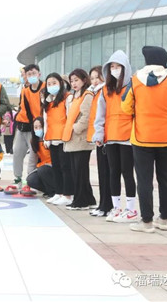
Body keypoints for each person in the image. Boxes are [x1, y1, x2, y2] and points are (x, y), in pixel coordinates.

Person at [122, 46, 167, 233]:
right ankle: (165, 218)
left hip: (142, 138)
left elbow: (126, 107)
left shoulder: (135, 81)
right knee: (166, 179)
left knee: (144, 180)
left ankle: (147, 221)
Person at [93, 50, 137, 223]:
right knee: (113, 173)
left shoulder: (133, 86)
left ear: (125, 67)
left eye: (118, 66)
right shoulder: (106, 90)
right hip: (111, 137)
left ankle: (131, 209)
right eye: (112, 66)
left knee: (127, 173)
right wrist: (99, 133)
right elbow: (100, 115)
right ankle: (116, 207)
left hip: (127, 137)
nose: (115, 69)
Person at [62, 69, 96, 210]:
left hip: (80, 139)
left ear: (84, 80)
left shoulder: (87, 95)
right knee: (77, 171)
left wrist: (76, 128)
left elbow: (86, 116)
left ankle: (80, 201)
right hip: (72, 139)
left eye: (76, 80)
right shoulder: (75, 96)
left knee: (80, 172)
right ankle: (87, 199)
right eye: (71, 81)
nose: (74, 83)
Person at [12, 64, 44, 189]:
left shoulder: (45, 87)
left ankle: (32, 180)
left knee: (34, 154)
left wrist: (38, 126)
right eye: (28, 74)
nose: (30, 76)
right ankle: (17, 178)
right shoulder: (25, 90)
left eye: (33, 73)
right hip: (23, 125)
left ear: (39, 74)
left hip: (37, 126)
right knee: (17, 152)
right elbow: (25, 108)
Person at [42, 73, 72, 206]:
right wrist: (45, 137)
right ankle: (59, 192)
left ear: (60, 83)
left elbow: (69, 117)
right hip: (52, 137)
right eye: (49, 84)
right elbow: (46, 120)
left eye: (54, 83)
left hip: (63, 137)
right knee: (57, 167)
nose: (51, 86)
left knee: (66, 167)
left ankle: (68, 194)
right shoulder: (47, 101)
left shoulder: (67, 97)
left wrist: (67, 135)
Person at [87, 66, 112, 217]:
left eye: (97, 77)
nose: (95, 80)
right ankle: (102, 204)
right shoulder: (95, 93)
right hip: (99, 137)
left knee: (107, 173)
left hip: (106, 138)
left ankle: (107, 205)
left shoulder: (105, 91)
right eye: (92, 78)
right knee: (102, 173)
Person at [26, 117, 55, 197]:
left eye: (40, 127)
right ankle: (48, 190)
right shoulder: (34, 141)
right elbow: (32, 161)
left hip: (53, 168)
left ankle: (54, 192)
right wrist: (29, 176)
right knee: (31, 180)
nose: (38, 129)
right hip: (42, 167)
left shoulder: (51, 139)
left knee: (43, 170)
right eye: (36, 127)